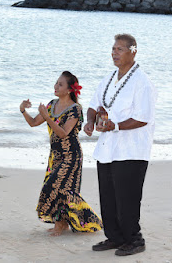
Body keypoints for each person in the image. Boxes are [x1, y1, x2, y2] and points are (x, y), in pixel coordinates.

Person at [84, 34, 157, 256]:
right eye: (113, 48)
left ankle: (135, 240)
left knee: (127, 198)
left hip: (132, 150)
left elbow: (142, 117)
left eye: (120, 49)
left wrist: (114, 126)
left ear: (133, 51)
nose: (114, 53)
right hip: (107, 149)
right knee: (107, 196)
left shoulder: (142, 82)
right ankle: (114, 237)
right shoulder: (108, 78)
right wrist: (90, 121)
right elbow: (93, 105)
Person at [20, 71, 103, 236]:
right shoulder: (52, 105)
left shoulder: (75, 110)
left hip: (71, 156)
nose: (55, 86)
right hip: (56, 156)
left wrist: (47, 116)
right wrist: (23, 110)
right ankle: (62, 224)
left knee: (55, 188)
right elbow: (34, 123)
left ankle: (76, 223)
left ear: (69, 89)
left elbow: (63, 133)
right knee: (61, 191)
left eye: (60, 84)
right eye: (56, 83)